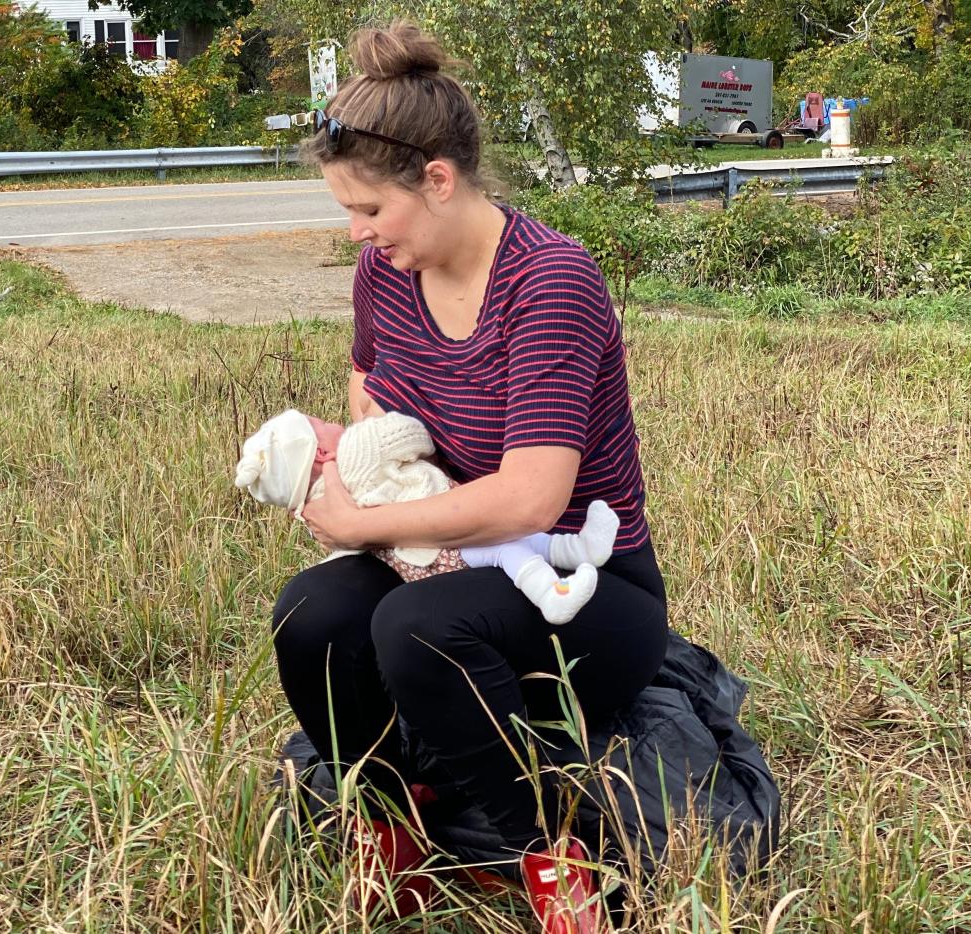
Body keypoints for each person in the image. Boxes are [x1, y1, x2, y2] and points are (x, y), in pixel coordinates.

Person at [271, 21, 669, 933]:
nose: (359, 235)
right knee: (313, 615)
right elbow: (372, 391)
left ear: (438, 181)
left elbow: (532, 496)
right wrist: (341, 456)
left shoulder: (550, 280)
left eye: (369, 211)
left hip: (583, 587)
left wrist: (359, 529)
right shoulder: (386, 274)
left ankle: (559, 857)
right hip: (446, 559)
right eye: (347, 214)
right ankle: (395, 817)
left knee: (414, 628)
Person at [235, 407, 621, 623]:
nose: (333, 422)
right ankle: (553, 592)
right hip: (443, 536)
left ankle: (579, 549)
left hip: (413, 565)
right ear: (320, 452)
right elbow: (411, 433)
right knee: (507, 548)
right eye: (321, 425)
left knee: (513, 542)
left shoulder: (316, 508)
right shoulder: (356, 447)